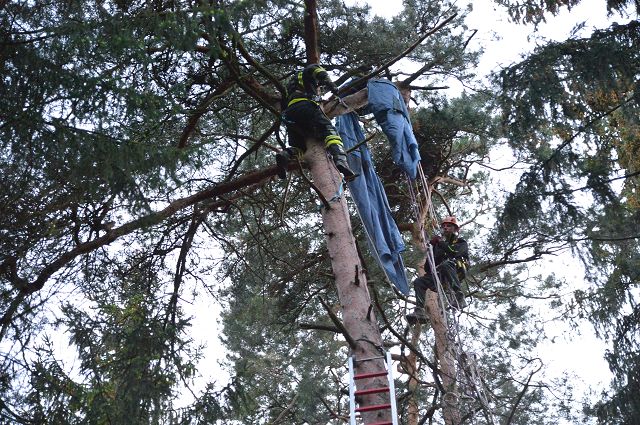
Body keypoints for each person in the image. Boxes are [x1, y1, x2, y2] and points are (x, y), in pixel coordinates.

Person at [275, 64, 357, 181]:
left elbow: (283, 106)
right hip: (305, 106)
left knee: (300, 147)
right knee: (329, 130)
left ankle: (285, 155)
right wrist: (331, 85)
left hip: (290, 116)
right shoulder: (306, 71)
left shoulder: (289, 87)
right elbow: (319, 71)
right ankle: (341, 160)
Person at [406, 216, 469, 324]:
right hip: (440, 277)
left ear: (455, 229)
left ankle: (459, 296)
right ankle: (420, 311)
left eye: (449, 226)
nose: (445, 228)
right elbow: (427, 268)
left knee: (446, 264)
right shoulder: (438, 246)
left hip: (455, 270)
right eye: (443, 226)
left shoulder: (461, 242)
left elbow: (453, 252)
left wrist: (439, 242)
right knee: (419, 282)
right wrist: (431, 250)